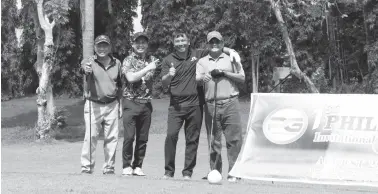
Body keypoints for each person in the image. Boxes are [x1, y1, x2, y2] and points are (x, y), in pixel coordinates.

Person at [161, 31, 242, 179]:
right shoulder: (170, 60)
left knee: (195, 139)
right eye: (177, 41)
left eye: (183, 40)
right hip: (178, 105)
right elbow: (164, 83)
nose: (180, 43)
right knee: (172, 136)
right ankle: (169, 171)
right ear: (174, 43)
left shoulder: (198, 54)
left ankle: (188, 173)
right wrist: (170, 75)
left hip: (196, 104)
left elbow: (217, 48)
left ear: (188, 42)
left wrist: (232, 51)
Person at [196, 31, 245, 182]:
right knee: (214, 140)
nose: (214, 44)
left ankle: (234, 172)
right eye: (211, 42)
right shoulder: (202, 61)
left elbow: (242, 77)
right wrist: (204, 77)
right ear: (208, 44)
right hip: (211, 104)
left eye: (217, 41)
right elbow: (197, 79)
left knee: (234, 139)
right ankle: (215, 171)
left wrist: (225, 73)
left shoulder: (232, 58)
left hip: (231, 102)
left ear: (222, 43)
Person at [80, 35, 123, 175]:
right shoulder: (89, 62)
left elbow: (120, 86)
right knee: (91, 136)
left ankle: (109, 168)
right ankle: (87, 167)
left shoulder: (117, 63)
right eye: (99, 46)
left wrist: (120, 104)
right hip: (94, 104)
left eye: (105, 45)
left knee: (111, 138)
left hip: (112, 104)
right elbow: (84, 68)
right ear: (95, 48)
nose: (102, 48)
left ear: (110, 47)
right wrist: (86, 69)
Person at [121, 32, 159, 176]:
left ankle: (138, 165)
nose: (141, 45)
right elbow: (130, 78)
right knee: (129, 137)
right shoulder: (128, 60)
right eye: (138, 42)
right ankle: (126, 165)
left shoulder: (153, 59)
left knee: (143, 138)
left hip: (146, 104)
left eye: (143, 42)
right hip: (130, 102)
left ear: (147, 45)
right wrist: (147, 68)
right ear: (133, 44)